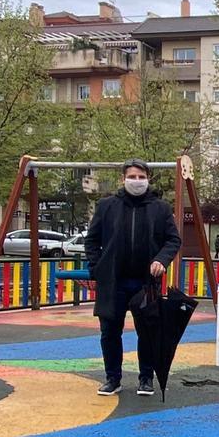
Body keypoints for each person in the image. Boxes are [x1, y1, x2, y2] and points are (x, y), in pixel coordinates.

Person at [85, 159, 182, 397]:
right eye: (132, 176)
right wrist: (98, 268)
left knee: (148, 332)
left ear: (148, 179)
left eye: (141, 177)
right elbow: (91, 240)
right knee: (109, 332)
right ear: (123, 179)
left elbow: (173, 240)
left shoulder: (160, 208)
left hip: (144, 282)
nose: (136, 181)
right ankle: (113, 378)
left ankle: (146, 378)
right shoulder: (107, 206)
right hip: (113, 282)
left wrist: (162, 259)